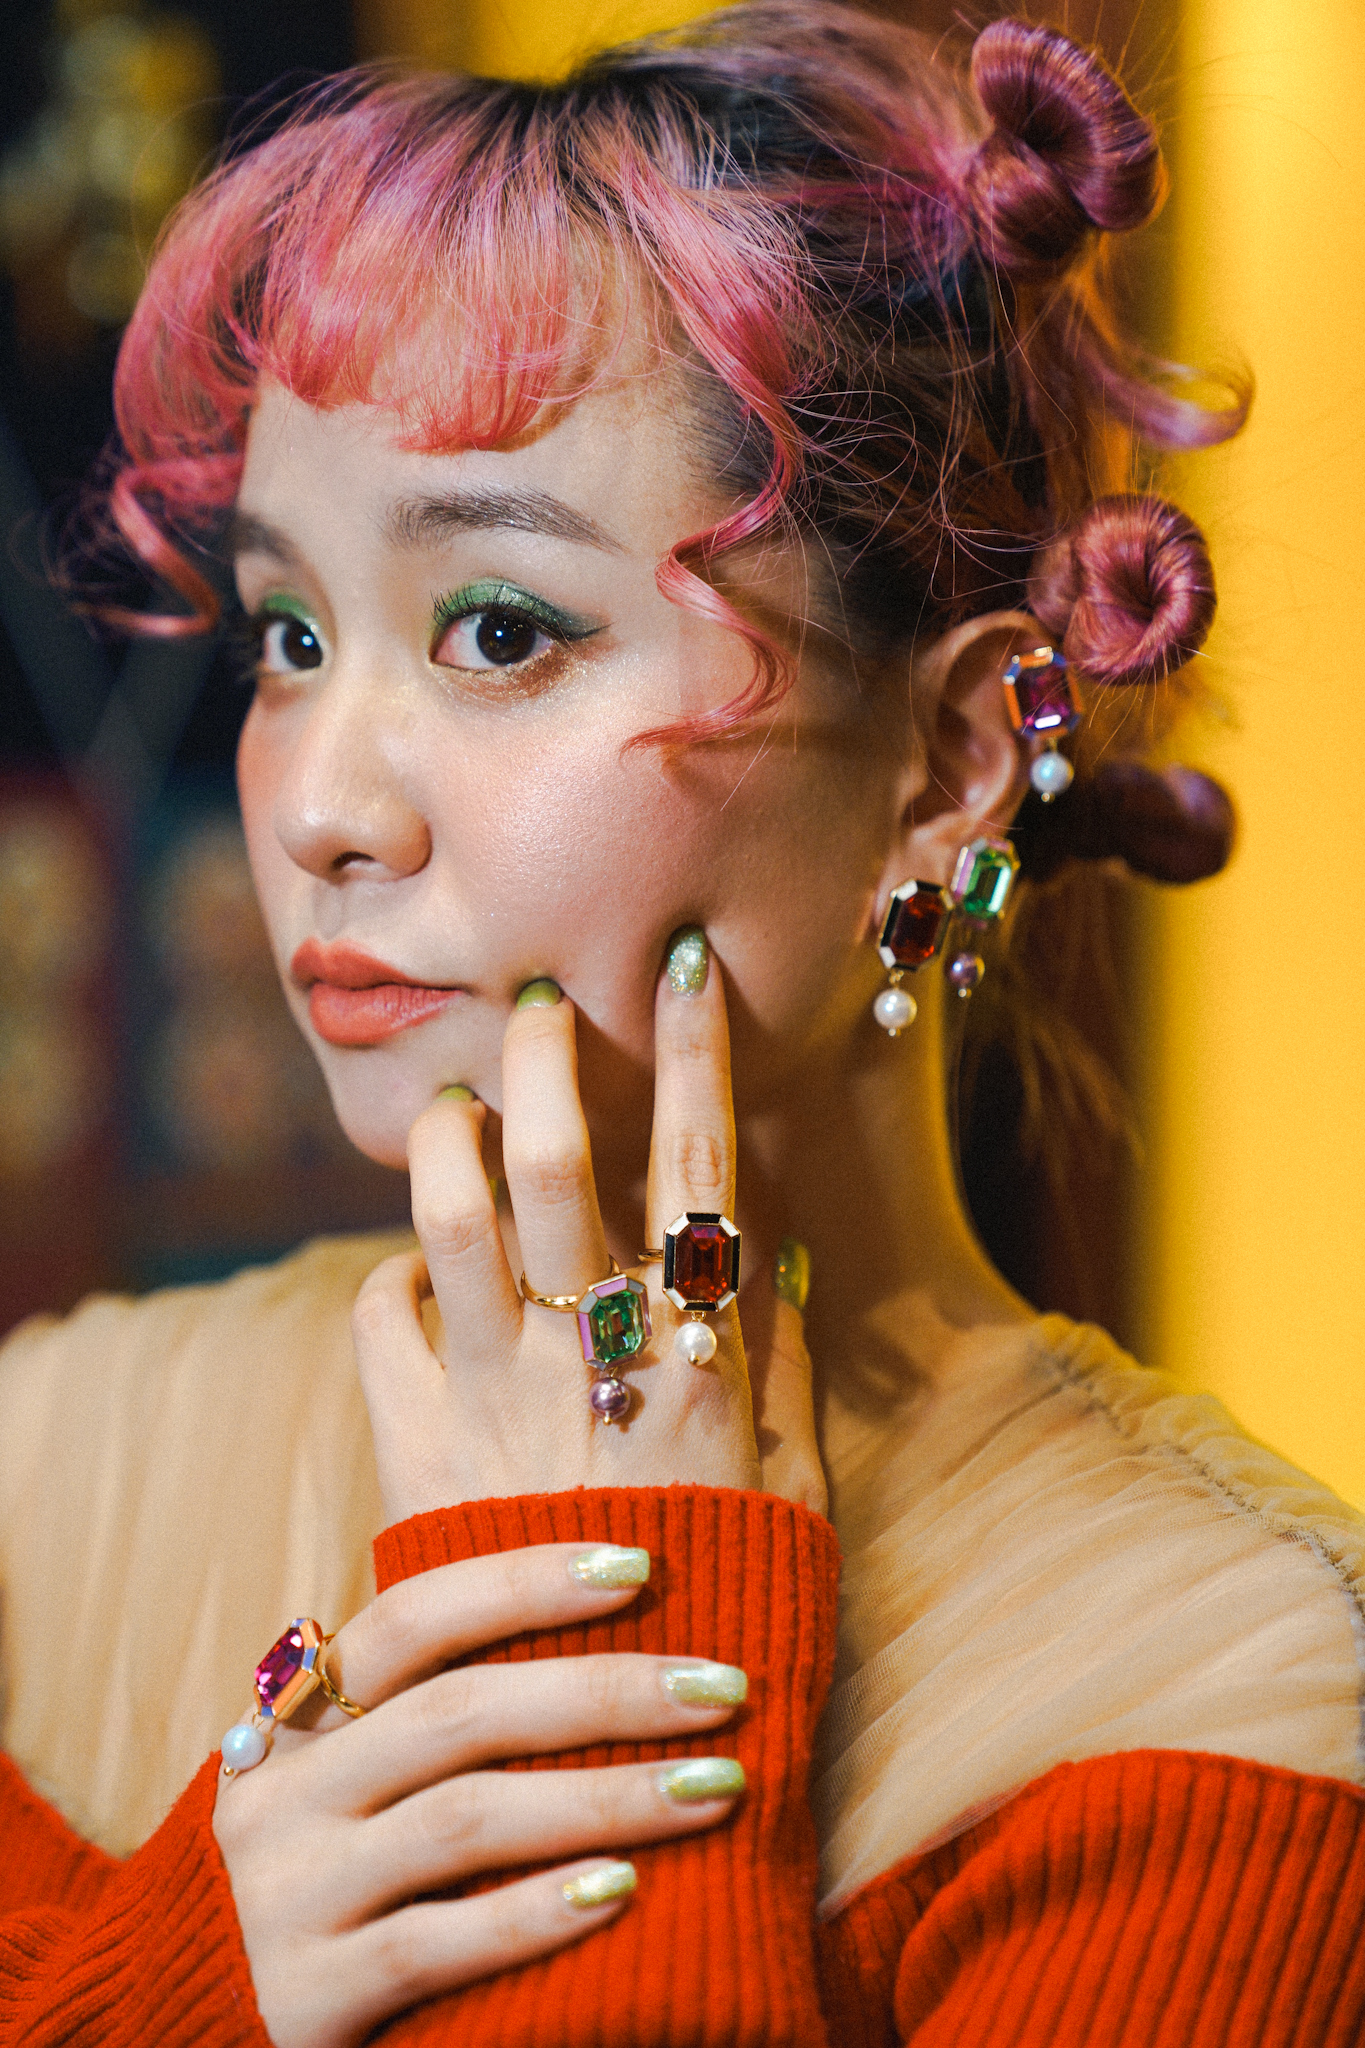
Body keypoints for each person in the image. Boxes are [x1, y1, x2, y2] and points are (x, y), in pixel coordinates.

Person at [1, 5, 1362, 2043]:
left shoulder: (1224, 1689)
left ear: (948, 762)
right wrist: (188, 1984)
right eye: (290, 633)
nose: (316, 806)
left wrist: (624, 1601)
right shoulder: (55, 1465)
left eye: (496, 628)